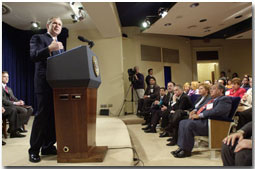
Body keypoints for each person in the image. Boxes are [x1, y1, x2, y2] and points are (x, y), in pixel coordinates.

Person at [28, 17, 64, 163]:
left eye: (60, 24)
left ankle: (48, 145)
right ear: (48, 25)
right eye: (54, 23)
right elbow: (34, 56)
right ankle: (34, 150)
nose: (57, 25)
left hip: (58, 85)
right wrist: (49, 48)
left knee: (54, 116)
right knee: (42, 115)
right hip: (43, 83)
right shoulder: (38, 37)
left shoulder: (61, 44)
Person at [171, 83, 232, 158]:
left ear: (221, 90)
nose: (211, 90)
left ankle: (186, 151)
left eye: (213, 89)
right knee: (182, 122)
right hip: (204, 121)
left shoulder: (224, 99)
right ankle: (181, 147)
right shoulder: (211, 99)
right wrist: (195, 111)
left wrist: (199, 115)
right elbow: (201, 106)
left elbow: (217, 111)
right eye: (211, 89)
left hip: (212, 123)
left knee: (189, 125)